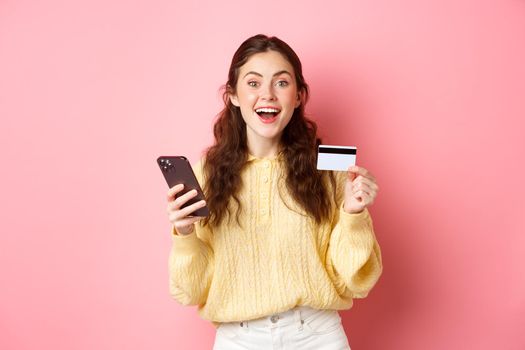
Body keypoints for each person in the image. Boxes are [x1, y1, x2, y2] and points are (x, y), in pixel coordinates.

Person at [166, 34, 382, 350]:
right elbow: (190, 290)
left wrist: (353, 215)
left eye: (281, 83)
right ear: (234, 95)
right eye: (253, 83)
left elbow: (355, 280)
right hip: (238, 339)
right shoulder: (205, 174)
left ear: (298, 96)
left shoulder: (331, 165)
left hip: (316, 336)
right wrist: (184, 235)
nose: (267, 94)